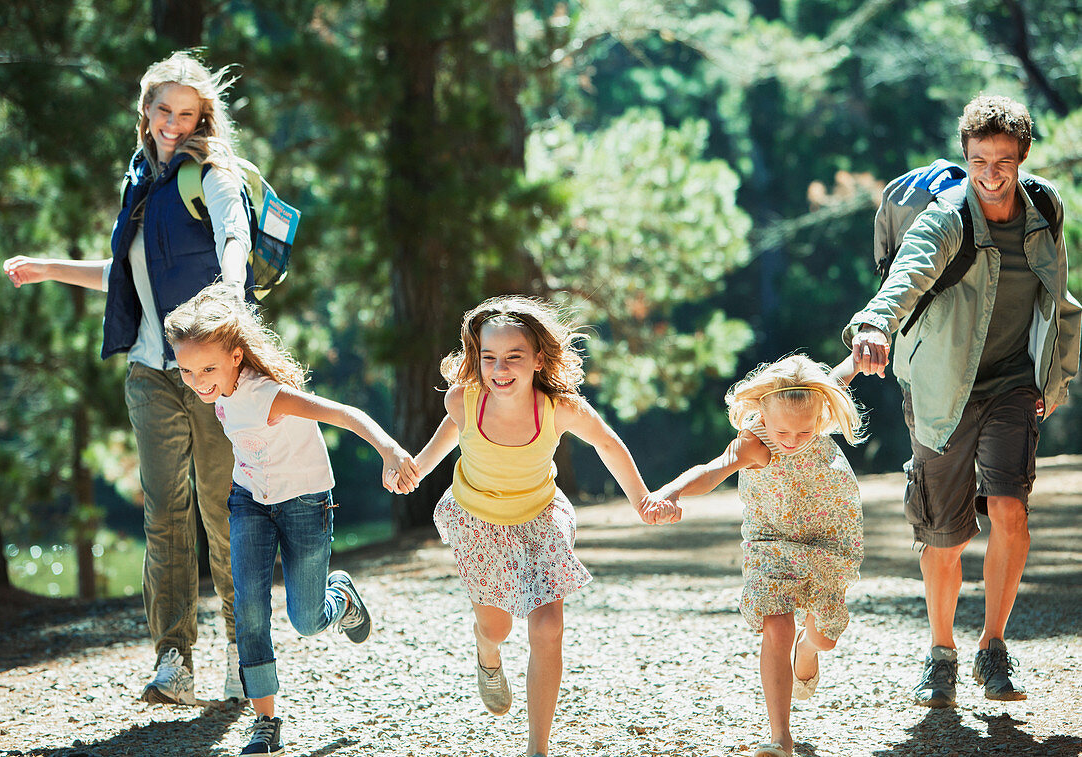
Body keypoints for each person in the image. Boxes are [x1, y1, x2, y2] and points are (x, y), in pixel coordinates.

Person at [2, 51, 258, 704]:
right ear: (144, 112)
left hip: (214, 374)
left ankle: (241, 651)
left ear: (203, 118)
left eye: (187, 113)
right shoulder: (140, 179)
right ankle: (174, 657)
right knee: (166, 518)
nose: (173, 123)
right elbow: (125, 273)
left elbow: (235, 235)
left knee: (224, 512)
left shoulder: (213, 172)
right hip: (149, 371)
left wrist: (230, 291)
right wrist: (50, 267)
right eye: (163, 110)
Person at [846, 94, 1082, 707]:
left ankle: (993, 647)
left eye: (1003, 160)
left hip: (1010, 382)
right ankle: (941, 652)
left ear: (1023, 158)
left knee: (1009, 509)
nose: (990, 174)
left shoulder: (1045, 209)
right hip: (941, 389)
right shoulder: (946, 218)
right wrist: (874, 324)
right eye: (979, 160)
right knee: (945, 535)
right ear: (966, 156)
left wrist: (1055, 377)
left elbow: (1060, 301)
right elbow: (909, 272)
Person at [409, 295, 677, 757]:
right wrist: (412, 469)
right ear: (477, 359)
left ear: (538, 359)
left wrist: (643, 500)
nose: (500, 367)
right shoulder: (463, 400)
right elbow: (445, 439)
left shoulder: (560, 409)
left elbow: (609, 446)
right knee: (496, 628)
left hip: (540, 518)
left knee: (547, 624)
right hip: (479, 522)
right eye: (489, 357)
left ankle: (538, 747)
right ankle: (487, 654)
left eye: (514, 356)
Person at [164, 282, 419, 756]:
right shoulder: (217, 391)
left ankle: (339, 597)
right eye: (186, 370)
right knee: (250, 609)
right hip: (249, 502)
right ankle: (266, 721)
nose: (198, 381)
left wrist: (388, 449)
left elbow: (345, 413)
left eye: (207, 369)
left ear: (236, 356)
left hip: (304, 504)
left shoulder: (270, 396)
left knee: (306, 619)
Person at [642, 354, 865, 757]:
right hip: (771, 541)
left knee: (825, 638)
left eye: (804, 430)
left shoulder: (812, 400)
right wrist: (670, 491)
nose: (793, 440)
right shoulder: (757, 442)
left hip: (827, 540)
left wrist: (865, 349)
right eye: (784, 430)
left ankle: (808, 649)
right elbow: (712, 470)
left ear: (820, 414)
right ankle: (781, 737)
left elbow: (841, 374)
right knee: (775, 626)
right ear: (762, 411)